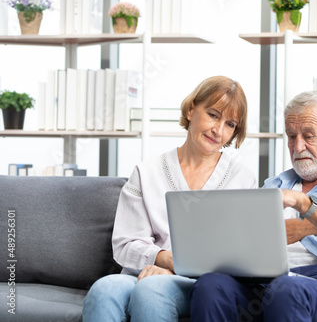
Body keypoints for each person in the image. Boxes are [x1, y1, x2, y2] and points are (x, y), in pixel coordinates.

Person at [189, 90, 317, 321]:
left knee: (286, 290)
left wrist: (303, 204)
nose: (297, 147)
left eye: (309, 136)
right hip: (266, 281)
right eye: (291, 136)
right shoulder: (274, 185)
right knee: (211, 285)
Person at [82, 75, 257, 322]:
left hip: (201, 284)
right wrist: (162, 258)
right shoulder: (147, 172)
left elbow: (240, 255)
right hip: (144, 272)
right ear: (191, 108)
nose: (218, 130)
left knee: (150, 291)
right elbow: (125, 245)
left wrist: (175, 268)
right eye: (213, 115)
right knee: (104, 289)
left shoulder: (242, 179)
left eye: (230, 124)